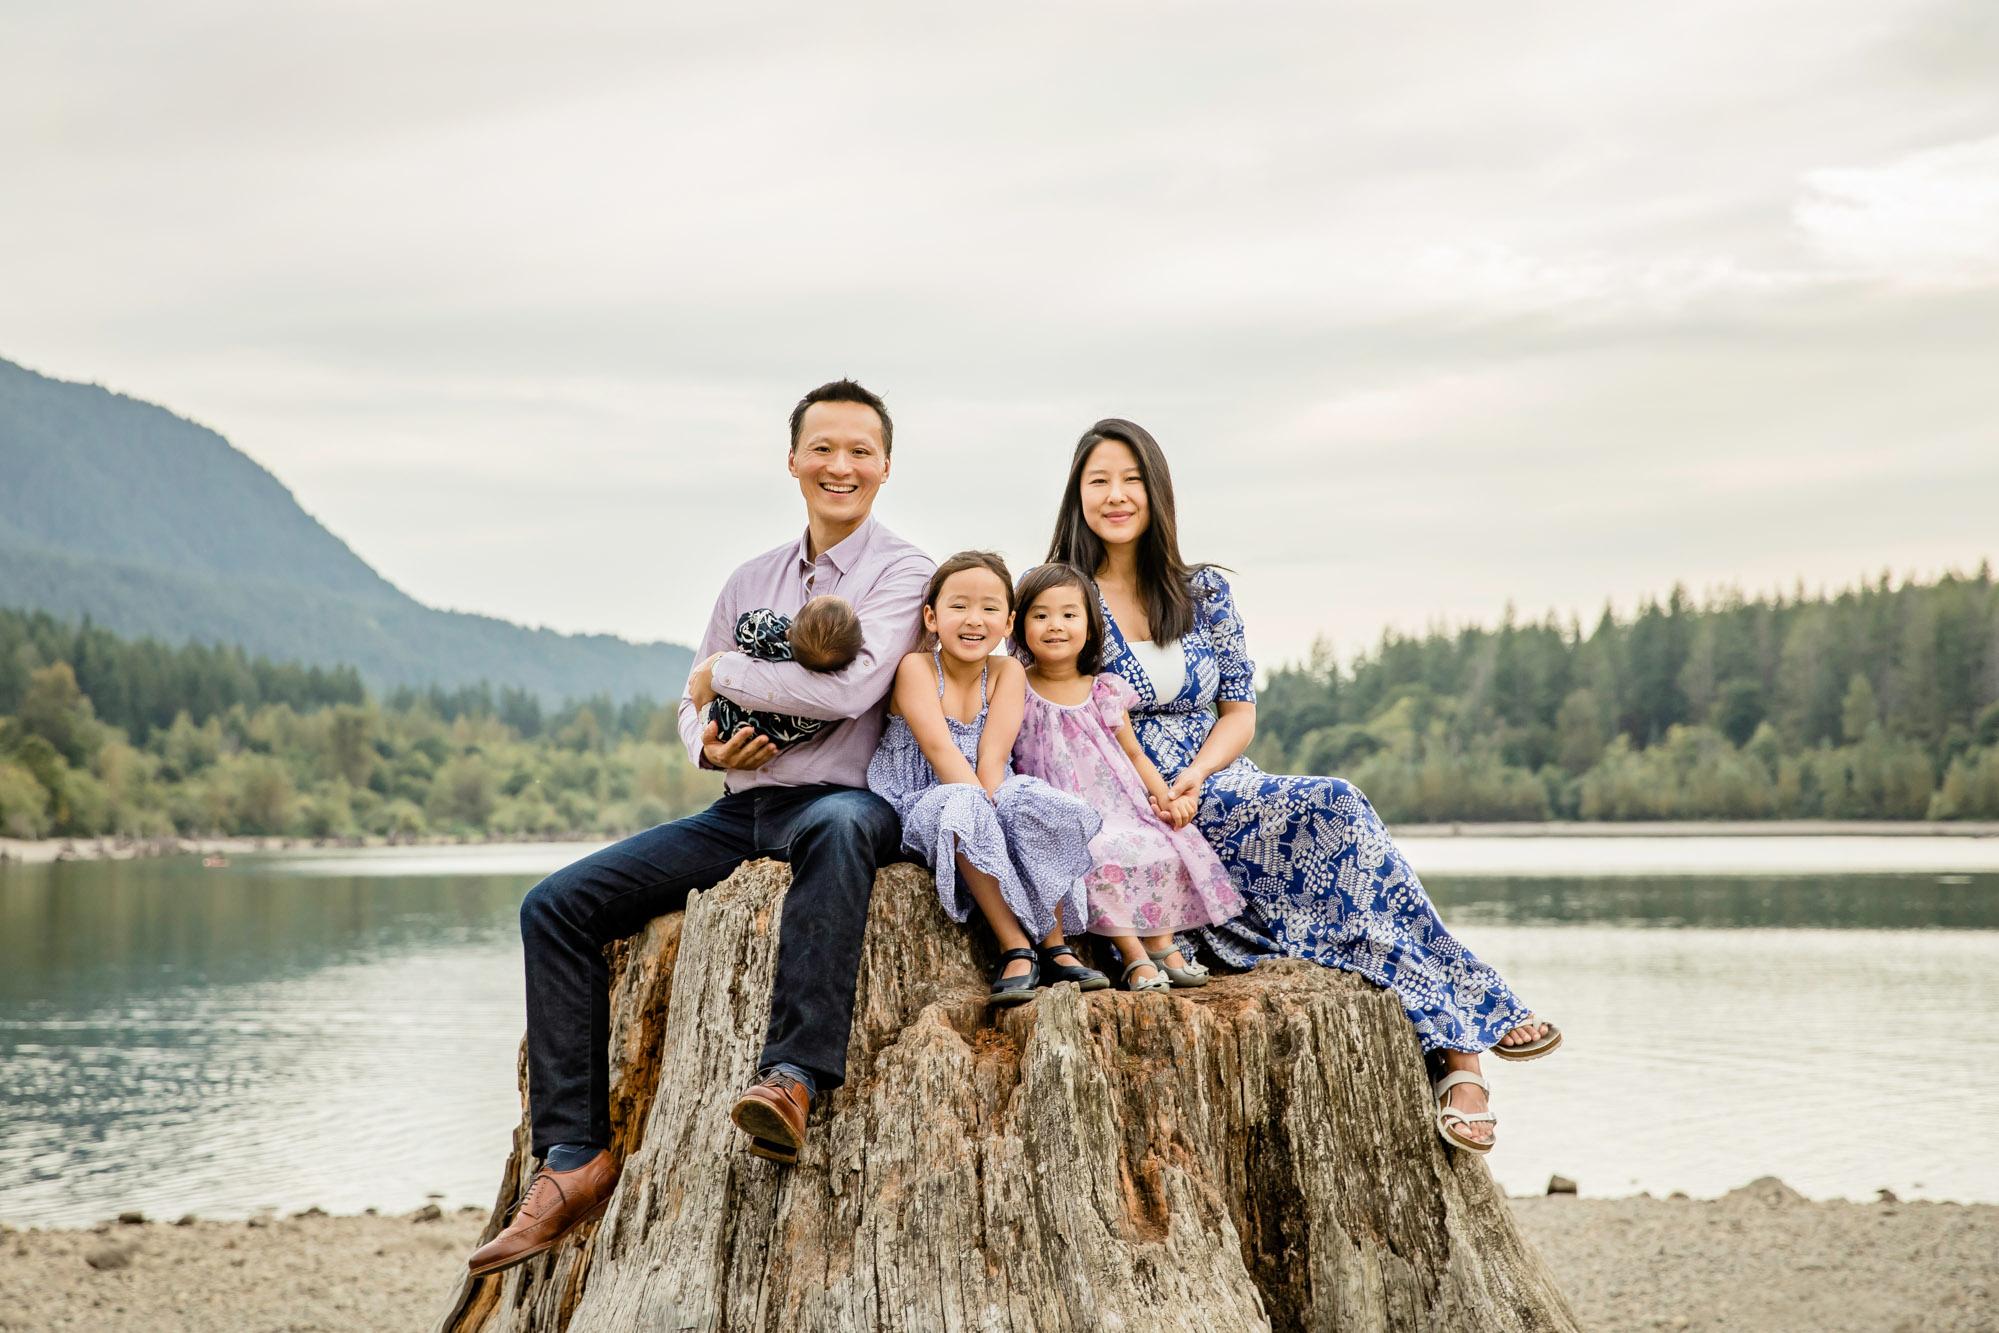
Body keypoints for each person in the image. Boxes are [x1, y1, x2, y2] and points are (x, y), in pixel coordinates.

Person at [467, 379, 932, 1278]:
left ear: (884, 466)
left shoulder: (902, 573)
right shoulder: (749, 578)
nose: (841, 465)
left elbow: (846, 692)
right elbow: (690, 703)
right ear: (793, 459)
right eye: (823, 448)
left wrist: (722, 671)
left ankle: (789, 1078)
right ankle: (572, 1159)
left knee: (839, 828)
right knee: (555, 905)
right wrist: (710, 740)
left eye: (860, 451)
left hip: (845, 799)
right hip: (740, 805)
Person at [1044, 418, 1561, 1155]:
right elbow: (1036, 706)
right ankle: (1466, 1047)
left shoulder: (1202, 592)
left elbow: (1239, 711)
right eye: (1098, 480)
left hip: (1216, 779)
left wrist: (1196, 773)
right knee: (1337, 860)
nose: (1115, 495)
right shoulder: (1059, 598)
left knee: (1339, 817)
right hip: (1128, 794)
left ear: (1157, 493)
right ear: (1077, 494)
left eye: (1131, 479)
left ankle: (1460, 1049)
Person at [865, 551, 1110, 1004]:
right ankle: (1014, 945)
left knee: (1042, 803)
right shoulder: (916, 669)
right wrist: (984, 809)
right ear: (931, 616)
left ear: (1009, 621)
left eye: (989, 608)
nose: (974, 619)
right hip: (923, 796)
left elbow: (993, 760)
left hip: (987, 783)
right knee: (965, 805)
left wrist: (997, 806)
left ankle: (1054, 945)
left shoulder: (1006, 671)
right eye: (959, 606)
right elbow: (940, 754)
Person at [1008, 561, 1243, 992]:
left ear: (1091, 626)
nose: (1054, 626)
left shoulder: (1104, 689)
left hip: (1117, 799)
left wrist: (1166, 799)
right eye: (1040, 615)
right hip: (1064, 809)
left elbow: (1133, 754)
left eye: (1068, 615)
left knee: (1161, 844)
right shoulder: (1014, 686)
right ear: (1019, 626)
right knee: (1099, 853)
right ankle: (1133, 957)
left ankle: (1164, 948)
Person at [706, 595, 867, 750]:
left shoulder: (771, 640)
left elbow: (746, 626)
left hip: (725, 716)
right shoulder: (821, 695)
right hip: (763, 740)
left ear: (789, 632)